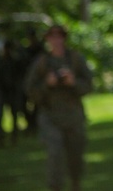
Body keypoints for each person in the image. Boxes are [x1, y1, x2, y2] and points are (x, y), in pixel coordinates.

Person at [25, 25, 93, 191]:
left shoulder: (75, 59)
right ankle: (55, 187)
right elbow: (29, 89)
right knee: (54, 152)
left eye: (59, 36)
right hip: (50, 116)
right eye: (52, 36)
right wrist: (47, 84)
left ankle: (75, 184)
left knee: (75, 156)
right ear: (47, 39)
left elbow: (89, 86)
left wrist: (73, 82)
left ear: (64, 38)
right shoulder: (41, 62)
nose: (56, 40)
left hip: (73, 115)